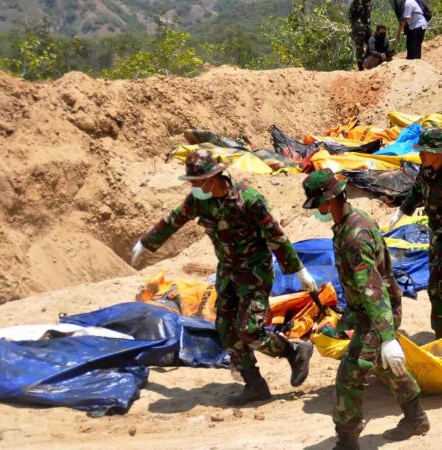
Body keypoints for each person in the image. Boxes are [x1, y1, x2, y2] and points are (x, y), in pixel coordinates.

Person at [131, 150, 318, 405]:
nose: (194, 187)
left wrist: (298, 270)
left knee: (250, 331)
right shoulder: (200, 200)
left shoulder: (249, 200)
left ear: (215, 177)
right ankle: (254, 385)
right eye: (192, 183)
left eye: (198, 182)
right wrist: (146, 242)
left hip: (255, 271)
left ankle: (294, 351)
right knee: (226, 329)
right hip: (228, 271)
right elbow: (174, 219)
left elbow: (276, 235)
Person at [302, 169, 428, 450]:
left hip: (377, 311)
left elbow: (373, 289)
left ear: (330, 201)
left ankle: (347, 442)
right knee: (386, 366)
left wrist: (387, 336)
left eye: (317, 205)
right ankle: (416, 417)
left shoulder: (355, 236)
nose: (317, 212)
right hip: (369, 310)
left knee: (350, 375)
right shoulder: (347, 223)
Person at [386, 127, 442, 339]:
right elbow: (417, 192)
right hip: (437, 241)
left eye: (425, 150)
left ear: (438, 152)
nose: (420, 154)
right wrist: (401, 211)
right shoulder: (425, 172)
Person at [349, 0, 373, 71]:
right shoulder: (356, 1)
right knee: (359, 47)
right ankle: (360, 67)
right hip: (358, 26)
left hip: (367, 26)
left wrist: (368, 23)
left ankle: (369, 62)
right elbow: (350, 15)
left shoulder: (370, 2)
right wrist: (354, 26)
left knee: (372, 43)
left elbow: (369, 14)